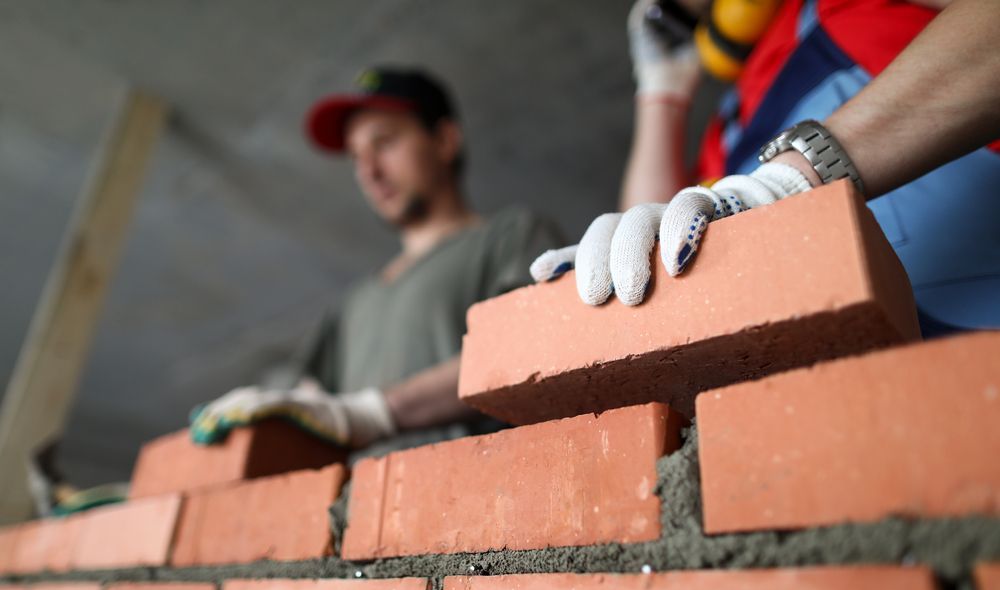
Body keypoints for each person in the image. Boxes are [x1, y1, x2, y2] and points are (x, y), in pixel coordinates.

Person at [532, 0, 1000, 337]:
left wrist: (794, 178)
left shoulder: (842, 7)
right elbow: (643, 266)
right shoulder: (726, 141)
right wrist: (661, 92)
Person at [191, 67, 564, 458]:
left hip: (466, 499)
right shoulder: (355, 304)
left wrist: (375, 412)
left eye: (384, 143)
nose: (369, 171)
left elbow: (532, 349)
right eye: (356, 157)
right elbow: (306, 398)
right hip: (355, 513)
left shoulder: (511, 236)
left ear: (445, 140)